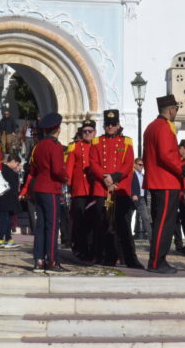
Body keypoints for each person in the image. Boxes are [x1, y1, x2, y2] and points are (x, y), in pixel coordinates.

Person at [89, 109, 142, 269]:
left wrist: (115, 178)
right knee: (103, 225)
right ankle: (105, 257)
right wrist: (105, 178)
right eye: (107, 125)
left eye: (113, 124)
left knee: (123, 226)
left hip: (120, 188)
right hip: (102, 188)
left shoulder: (126, 142)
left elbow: (128, 165)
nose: (110, 127)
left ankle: (130, 259)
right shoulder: (97, 142)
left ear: (118, 125)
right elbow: (93, 163)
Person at [143, 94, 185, 274]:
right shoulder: (164, 127)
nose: (176, 112)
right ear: (171, 110)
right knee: (165, 223)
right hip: (167, 181)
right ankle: (157, 262)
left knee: (160, 222)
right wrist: (183, 170)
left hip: (156, 180)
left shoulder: (150, 127)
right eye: (176, 109)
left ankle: (158, 259)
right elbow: (167, 155)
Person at [29, 112, 68, 271]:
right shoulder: (55, 146)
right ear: (57, 129)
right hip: (51, 188)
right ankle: (52, 260)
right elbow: (58, 170)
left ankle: (39, 259)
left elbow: (33, 167)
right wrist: (66, 177)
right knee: (52, 226)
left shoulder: (38, 146)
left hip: (39, 187)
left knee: (41, 226)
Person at [66, 122, 97, 262]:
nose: (87, 134)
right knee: (79, 221)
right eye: (84, 131)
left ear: (94, 132)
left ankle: (92, 249)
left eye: (90, 131)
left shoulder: (97, 146)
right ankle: (80, 248)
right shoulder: (75, 147)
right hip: (79, 189)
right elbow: (69, 168)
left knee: (92, 221)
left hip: (94, 189)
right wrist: (68, 187)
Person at [0, 154, 21, 246]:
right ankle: (1, 238)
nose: (17, 167)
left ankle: (7, 237)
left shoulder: (9, 170)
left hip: (9, 199)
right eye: (17, 164)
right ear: (13, 161)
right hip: (6, 199)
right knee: (4, 220)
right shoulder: (5, 169)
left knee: (8, 220)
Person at [131, 158, 149, 239]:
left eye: (143, 165)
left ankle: (152, 242)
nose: (142, 166)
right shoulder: (131, 174)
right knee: (128, 219)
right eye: (140, 164)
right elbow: (128, 186)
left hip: (141, 200)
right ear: (134, 165)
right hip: (132, 199)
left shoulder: (143, 176)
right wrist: (132, 194)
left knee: (146, 219)